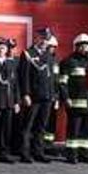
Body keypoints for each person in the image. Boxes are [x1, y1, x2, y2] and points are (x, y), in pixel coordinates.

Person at [18, 28, 57, 164]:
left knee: (41, 126)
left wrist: (53, 95)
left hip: (47, 96)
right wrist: (25, 94)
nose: (44, 42)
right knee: (28, 125)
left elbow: (51, 78)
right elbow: (24, 77)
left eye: (47, 40)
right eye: (42, 39)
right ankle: (24, 152)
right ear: (36, 38)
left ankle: (38, 152)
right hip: (33, 96)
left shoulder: (49, 56)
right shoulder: (28, 54)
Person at [60, 34, 88, 165]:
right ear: (76, 46)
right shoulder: (68, 61)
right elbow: (62, 82)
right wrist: (66, 98)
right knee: (74, 129)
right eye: (82, 45)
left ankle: (85, 153)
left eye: (87, 46)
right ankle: (72, 154)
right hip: (74, 102)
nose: (84, 48)